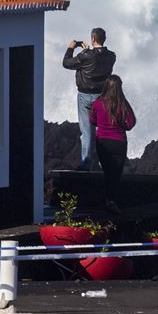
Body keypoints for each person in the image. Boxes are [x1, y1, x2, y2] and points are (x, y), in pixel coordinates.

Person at [62, 28, 116, 171]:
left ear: (92, 39)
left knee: (87, 132)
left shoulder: (86, 56)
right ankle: (107, 163)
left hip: (85, 97)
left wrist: (70, 48)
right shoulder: (112, 56)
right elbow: (97, 58)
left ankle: (87, 164)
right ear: (104, 39)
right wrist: (87, 52)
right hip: (104, 97)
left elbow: (66, 63)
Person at [89, 75, 136, 214]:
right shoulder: (123, 103)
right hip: (119, 142)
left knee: (107, 172)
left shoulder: (98, 102)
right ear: (119, 87)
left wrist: (102, 123)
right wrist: (120, 125)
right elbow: (131, 123)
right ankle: (111, 201)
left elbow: (92, 120)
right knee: (115, 174)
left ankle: (107, 201)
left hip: (102, 141)